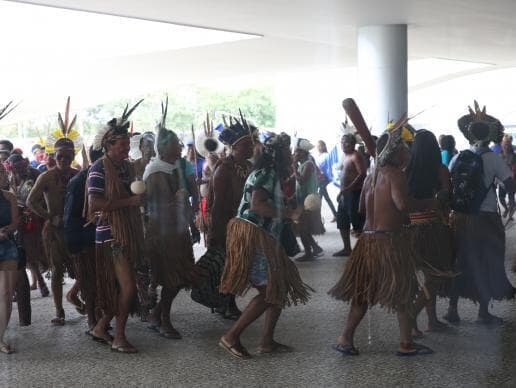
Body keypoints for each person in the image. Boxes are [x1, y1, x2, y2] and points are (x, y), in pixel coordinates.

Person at [329, 124, 438, 356]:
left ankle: (345, 338)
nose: (408, 153)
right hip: (389, 242)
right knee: (404, 291)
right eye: (405, 149)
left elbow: (360, 208)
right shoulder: (396, 174)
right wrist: (426, 203)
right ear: (396, 152)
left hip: (368, 242)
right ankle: (405, 343)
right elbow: (402, 205)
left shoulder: (371, 176)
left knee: (363, 292)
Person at [219, 132, 312, 359]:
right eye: (286, 153)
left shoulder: (269, 175)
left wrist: (290, 205)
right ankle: (231, 336)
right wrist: (290, 213)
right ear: (277, 156)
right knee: (269, 291)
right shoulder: (265, 174)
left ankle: (267, 341)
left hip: (264, 236)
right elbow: (258, 206)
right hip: (254, 236)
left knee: (277, 288)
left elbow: (269, 202)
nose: (290, 157)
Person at [444, 102, 516, 325]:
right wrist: (511, 202)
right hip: (485, 218)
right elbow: (509, 184)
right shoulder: (493, 159)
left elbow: (447, 184)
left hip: (459, 217)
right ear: (488, 136)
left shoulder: (458, 157)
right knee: (487, 261)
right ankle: (483, 313)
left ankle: (452, 309)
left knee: (459, 261)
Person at [87, 101, 145, 353]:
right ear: (108, 146)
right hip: (110, 236)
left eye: (126, 145)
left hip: (128, 233)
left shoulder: (126, 167)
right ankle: (119, 337)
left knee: (121, 287)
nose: (125, 149)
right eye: (121, 145)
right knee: (128, 287)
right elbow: (94, 204)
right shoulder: (98, 168)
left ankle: (101, 327)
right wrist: (130, 201)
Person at [144, 102, 204, 339]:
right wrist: (179, 200)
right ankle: (163, 320)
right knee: (172, 278)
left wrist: (190, 222)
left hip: (175, 232)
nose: (180, 148)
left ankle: (157, 315)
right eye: (176, 145)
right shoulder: (156, 171)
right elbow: (160, 207)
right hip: (162, 234)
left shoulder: (172, 168)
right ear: (163, 148)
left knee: (179, 277)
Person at [405, 130, 454, 334]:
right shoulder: (439, 169)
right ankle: (414, 318)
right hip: (432, 229)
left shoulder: (406, 170)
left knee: (415, 278)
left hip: (408, 230)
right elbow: (447, 196)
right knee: (434, 276)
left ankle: (421, 323)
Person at [204, 121, 254, 319]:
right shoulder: (223, 170)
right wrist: (216, 233)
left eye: (251, 143)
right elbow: (218, 206)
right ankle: (227, 303)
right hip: (227, 226)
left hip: (244, 224)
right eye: (246, 145)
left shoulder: (248, 167)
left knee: (238, 264)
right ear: (233, 148)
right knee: (229, 264)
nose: (251, 147)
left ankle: (224, 302)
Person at [27, 137, 78, 325]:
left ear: (73, 156)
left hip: (74, 229)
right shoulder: (46, 176)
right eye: (59, 157)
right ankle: (59, 311)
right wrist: (50, 216)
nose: (63, 161)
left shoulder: (78, 174)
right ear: (53, 156)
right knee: (56, 271)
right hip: (54, 231)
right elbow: (30, 201)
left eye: (67, 157)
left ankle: (76, 297)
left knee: (82, 268)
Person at [64, 146, 104, 331]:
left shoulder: (101, 176)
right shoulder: (80, 180)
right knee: (89, 278)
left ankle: (96, 313)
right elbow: (72, 216)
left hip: (95, 234)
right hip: (81, 237)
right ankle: (92, 320)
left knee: (96, 277)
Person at [5, 153, 49, 298]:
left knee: (30, 251)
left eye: (20, 167)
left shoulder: (35, 174)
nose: (17, 171)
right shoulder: (10, 178)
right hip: (17, 220)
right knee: (20, 252)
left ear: (24, 164)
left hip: (34, 219)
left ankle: (40, 282)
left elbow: (44, 196)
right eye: (14, 168)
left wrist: (35, 210)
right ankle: (28, 285)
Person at [333, 134, 366, 257]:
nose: (343, 144)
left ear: (352, 144)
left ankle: (363, 250)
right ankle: (347, 248)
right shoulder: (345, 155)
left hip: (354, 193)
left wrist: (348, 188)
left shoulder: (356, 155)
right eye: (342, 142)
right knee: (342, 220)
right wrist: (342, 191)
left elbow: (362, 174)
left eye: (346, 142)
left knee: (357, 222)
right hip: (345, 194)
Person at [293, 138, 324, 261]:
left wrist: (293, 166)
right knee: (303, 228)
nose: (294, 154)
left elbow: (301, 180)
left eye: (296, 152)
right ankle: (315, 248)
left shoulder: (309, 165)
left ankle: (308, 253)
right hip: (305, 200)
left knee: (302, 228)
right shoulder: (304, 165)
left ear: (303, 153)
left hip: (310, 200)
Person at [0, 163, 19, 354]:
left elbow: (15, 222)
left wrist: (7, 230)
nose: (2, 175)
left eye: (2, 171)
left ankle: (0, 337)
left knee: (6, 293)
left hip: (7, 246)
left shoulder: (10, 197)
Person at [315, 140, 337, 220]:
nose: (318, 147)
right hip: (320, 178)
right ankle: (335, 214)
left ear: (324, 146)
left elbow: (329, 168)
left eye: (320, 146)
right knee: (325, 197)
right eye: (317, 146)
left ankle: (317, 217)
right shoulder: (318, 156)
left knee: (320, 196)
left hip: (325, 178)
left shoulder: (326, 155)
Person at [498, 134, 516, 218]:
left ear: (510, 145)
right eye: (504, 144)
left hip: (511, 181)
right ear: (502, 144)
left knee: (511, 199)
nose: (505, 146)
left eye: (507, 144)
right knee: (501, 198)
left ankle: (511, 214)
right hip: (501, 181)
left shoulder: (514, 155)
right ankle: (506, 209)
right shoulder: (499, 155)